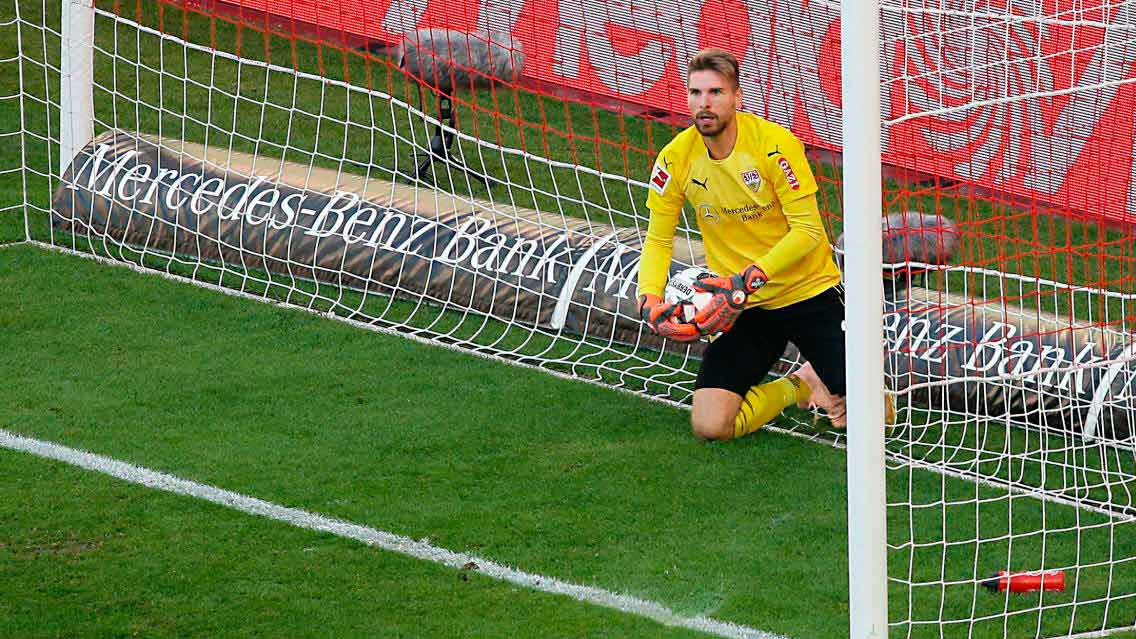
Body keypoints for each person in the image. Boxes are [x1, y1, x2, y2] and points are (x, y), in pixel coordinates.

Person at [636, 48, 847, 441]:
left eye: (715, 92)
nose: (705, 103)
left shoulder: (775, 146)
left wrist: (747, 279)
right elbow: (658, 238)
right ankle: (802, 384)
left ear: (737, 97)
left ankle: (834, 373)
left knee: (871, 417)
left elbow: (808, 232)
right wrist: (649, 296)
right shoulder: (675, 158)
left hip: (807, 293)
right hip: (743, 307)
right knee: (710, 426)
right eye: (696, 93)